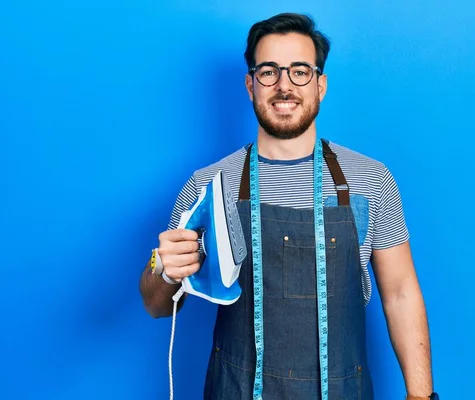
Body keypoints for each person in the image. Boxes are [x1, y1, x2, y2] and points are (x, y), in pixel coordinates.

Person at [139, 12, 437, 400]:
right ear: (250, 85)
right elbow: (157, 305)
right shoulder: (209, 185)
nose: (284, 86)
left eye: (300, 71)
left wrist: (421, 395)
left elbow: (399, 292)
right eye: (268, 72)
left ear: (321, 85)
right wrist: (164, 270)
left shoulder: (371, 179)